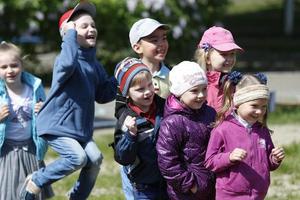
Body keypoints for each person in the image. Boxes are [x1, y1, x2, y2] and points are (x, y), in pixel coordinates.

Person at [20, 2, 117, 200]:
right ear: (68, 33)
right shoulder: (63, 59)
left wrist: (120, 78)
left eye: (93, 25)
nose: (91, 29)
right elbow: (68, 62)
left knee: (95, 159)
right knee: (78, 158)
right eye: (83, 26)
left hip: (80, 131)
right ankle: (37, 180)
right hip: (57, 125)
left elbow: (103, 94)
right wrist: (69, 36)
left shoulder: (94, 64)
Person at [205, 71, 285, 200]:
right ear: (237, 103)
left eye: (264, 107)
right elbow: (210, 162)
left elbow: (268, 165)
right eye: (254, 106)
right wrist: (229, 157)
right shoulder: (222, 128)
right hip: (230, 195)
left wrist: (275, 159)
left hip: (258, 194)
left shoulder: (262, 131)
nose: (259, 111)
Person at [114, 18, 170, 200]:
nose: (161, 44)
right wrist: (132, 127)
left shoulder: (173, 75)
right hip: (138, 155)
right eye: (154, 40)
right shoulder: (128, 75)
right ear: (137, 47)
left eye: (164, 38)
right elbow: (121, 108)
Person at [0, 41, 53, 200]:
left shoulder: (34, 88)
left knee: (33, 193)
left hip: (31, 149)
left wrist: (43, 111)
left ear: (21, 64)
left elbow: (49, 114)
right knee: (7, 193)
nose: (10, 70)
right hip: (6, 152)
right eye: (3, 67)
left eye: (14, 65)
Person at [156, 61, 216, 200]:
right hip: (185, 193)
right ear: (179, 92)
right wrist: (191, 185)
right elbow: (167, 161)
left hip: (211, 186)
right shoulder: (173, 122)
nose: (201, 95)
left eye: (204, 89)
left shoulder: (210, 113)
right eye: (194, 90)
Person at [194, 26, 243, 112]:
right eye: (224, 54)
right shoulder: (198, 84)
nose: (230, 59)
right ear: (207, 58)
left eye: (232, 54)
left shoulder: (234, 83)